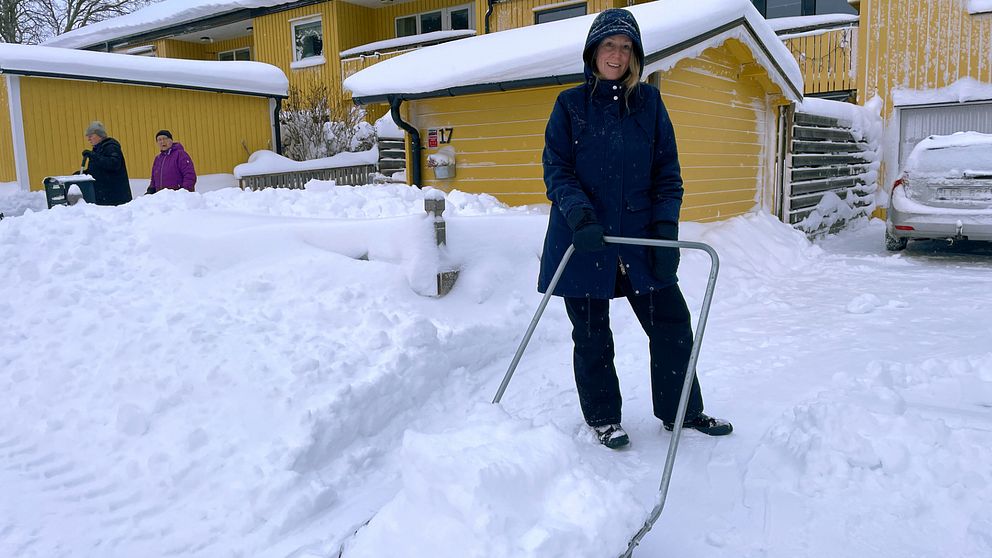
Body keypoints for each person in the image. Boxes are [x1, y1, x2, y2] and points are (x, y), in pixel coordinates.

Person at [538, 9, 732, 449]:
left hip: (642, 241)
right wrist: (580, 216)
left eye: (626, 47)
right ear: (593, 51)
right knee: (591, 336)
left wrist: (665, 230)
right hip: (585, 240)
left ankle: (681, 410)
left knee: (672, 324)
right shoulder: (570, 105)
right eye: (610, 45)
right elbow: (557, 170)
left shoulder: (649, 104)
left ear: (635, 56)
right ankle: (604, 418)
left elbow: (668, 174)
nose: (617, 54)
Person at [82, 121, 132, 206]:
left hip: (115, 199)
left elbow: (113, 164)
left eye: (91, 136)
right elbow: (96, 171)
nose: (88, 139)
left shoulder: (111, 146)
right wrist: (82, 175)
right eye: (88, 136)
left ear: (99, 135)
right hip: (103, 198)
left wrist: (93, 156)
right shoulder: (96, 150)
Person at [146, 130, 197, 194]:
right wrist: (150, 190)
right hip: (161, 198)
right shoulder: (157, 159)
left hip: (177, 197)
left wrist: (184, 191)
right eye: (159, 140)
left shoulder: (180, 155)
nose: (162, 142)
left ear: (171, 140)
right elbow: (153, 179)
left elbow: (189, 175)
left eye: (165, 138)